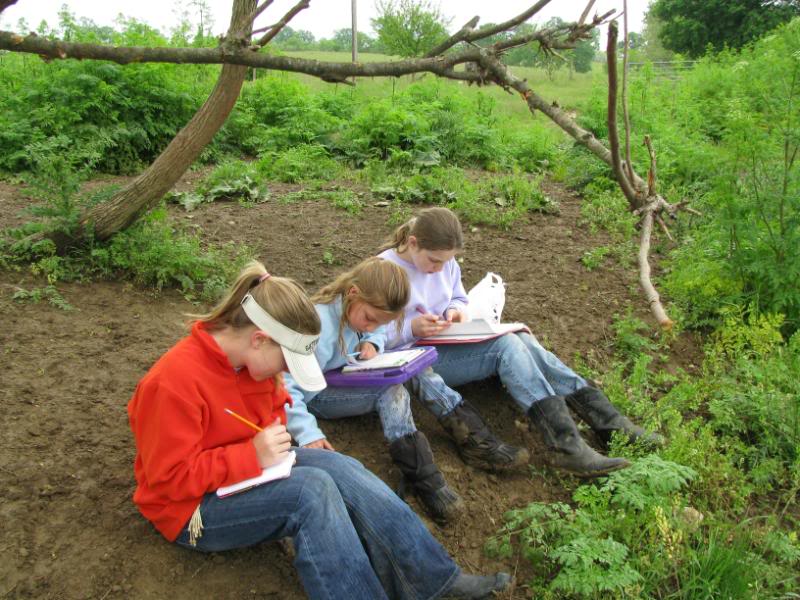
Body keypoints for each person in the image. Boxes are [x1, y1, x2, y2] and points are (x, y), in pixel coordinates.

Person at [127, 260, 511, 600]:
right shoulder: (172, 383)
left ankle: (432, 580)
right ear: (260, 339)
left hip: (249, 470)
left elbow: (265, 414)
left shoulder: (250, 363)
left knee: (343, 469)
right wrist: (251, 455)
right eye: (287, 362)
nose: (288, 373)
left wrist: (265, 442)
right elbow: (167, 481)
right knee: (311, 493)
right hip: (191, 511)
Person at [378, 207, 663, 478]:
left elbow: (457, 297)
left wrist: (456, 311)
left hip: (445, 341)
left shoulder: (445, 264)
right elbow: (365, 332)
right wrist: (410, 328)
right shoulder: (384, 270)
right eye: (434, 261)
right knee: (508, 346)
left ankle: (608, 423)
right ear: (413, 244)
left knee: (522, 338)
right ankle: (566, 446)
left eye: (446, 261)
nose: (440, 269)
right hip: (415, 360)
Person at [284, 257, 527, 523]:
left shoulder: (361, 313)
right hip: (317, 396)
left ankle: (475, 439)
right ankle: (424, 479)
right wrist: (307, 433)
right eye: (369, 320)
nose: (371, 327)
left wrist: (374, 343)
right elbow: (286, 388)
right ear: (352, 293)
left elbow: (376, 329)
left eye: (378, 323)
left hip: (346, 372)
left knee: (413, 367)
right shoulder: (318, 328)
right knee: (392, 390)